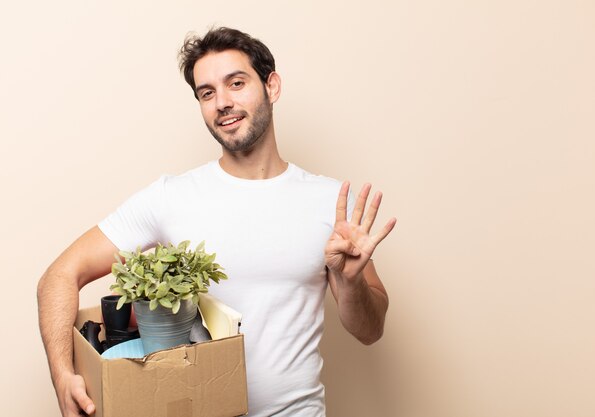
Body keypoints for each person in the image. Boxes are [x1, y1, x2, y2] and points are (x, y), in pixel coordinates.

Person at [37, 27, 396, 417]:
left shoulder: (329, 202)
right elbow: (58, 276)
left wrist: (352, 281)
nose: (222, 102)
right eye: (207, 93)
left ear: (271, 86)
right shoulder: (170, 197)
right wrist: (62, 375)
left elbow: (370, 330)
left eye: (236, 83)